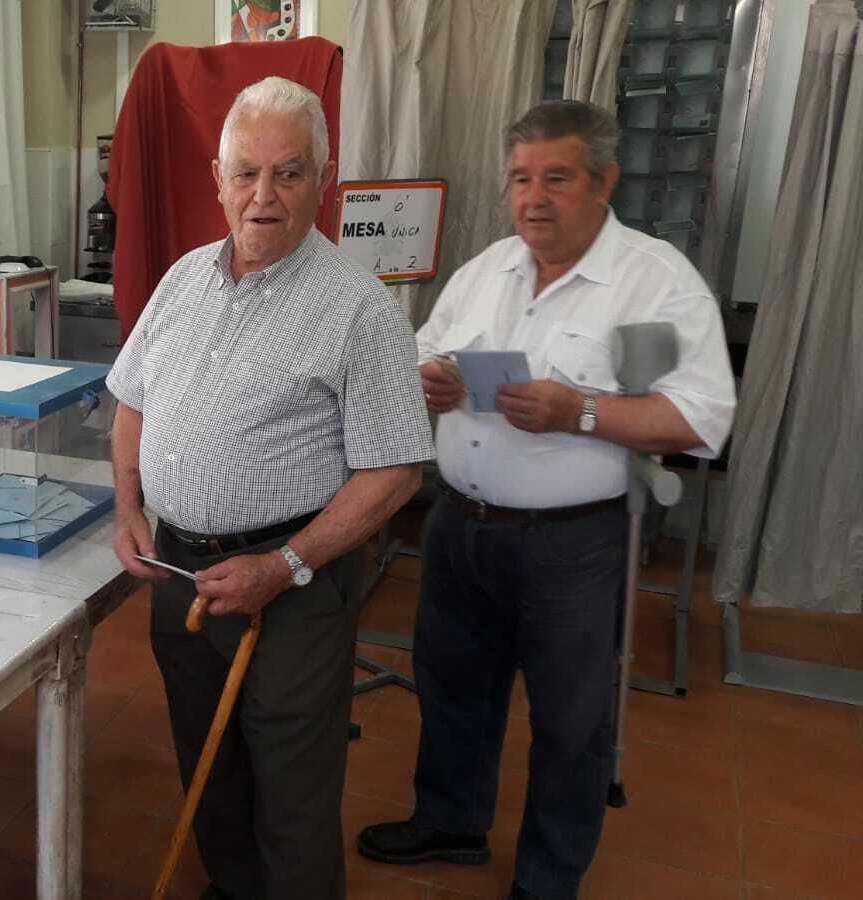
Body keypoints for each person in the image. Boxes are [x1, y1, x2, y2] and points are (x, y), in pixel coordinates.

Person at [356, 100, 736, 900]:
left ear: (604, 181)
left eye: (556, 178)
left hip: (574, 544)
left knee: (570, 721)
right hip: (462, 524)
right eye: (520, 179)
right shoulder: (486, 269)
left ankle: (547, 878)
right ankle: (451, 823)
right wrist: (428, 379)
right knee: (453, 686)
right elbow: (427, 349)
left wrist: (582, 411)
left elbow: (700, 417)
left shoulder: (653, 283)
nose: (533, 199)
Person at [107, 76, 433, 899]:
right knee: (207, 760)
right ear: (217, 180)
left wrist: (284, 565)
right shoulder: (182, 280)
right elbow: (132, 403)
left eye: (288, 174)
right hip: (179, 569)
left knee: (290, 779)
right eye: (245, 173)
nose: (263, 196)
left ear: (321, 184)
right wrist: (128, 508)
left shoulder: (361, 309)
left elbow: (394, 470)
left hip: (291, 579)